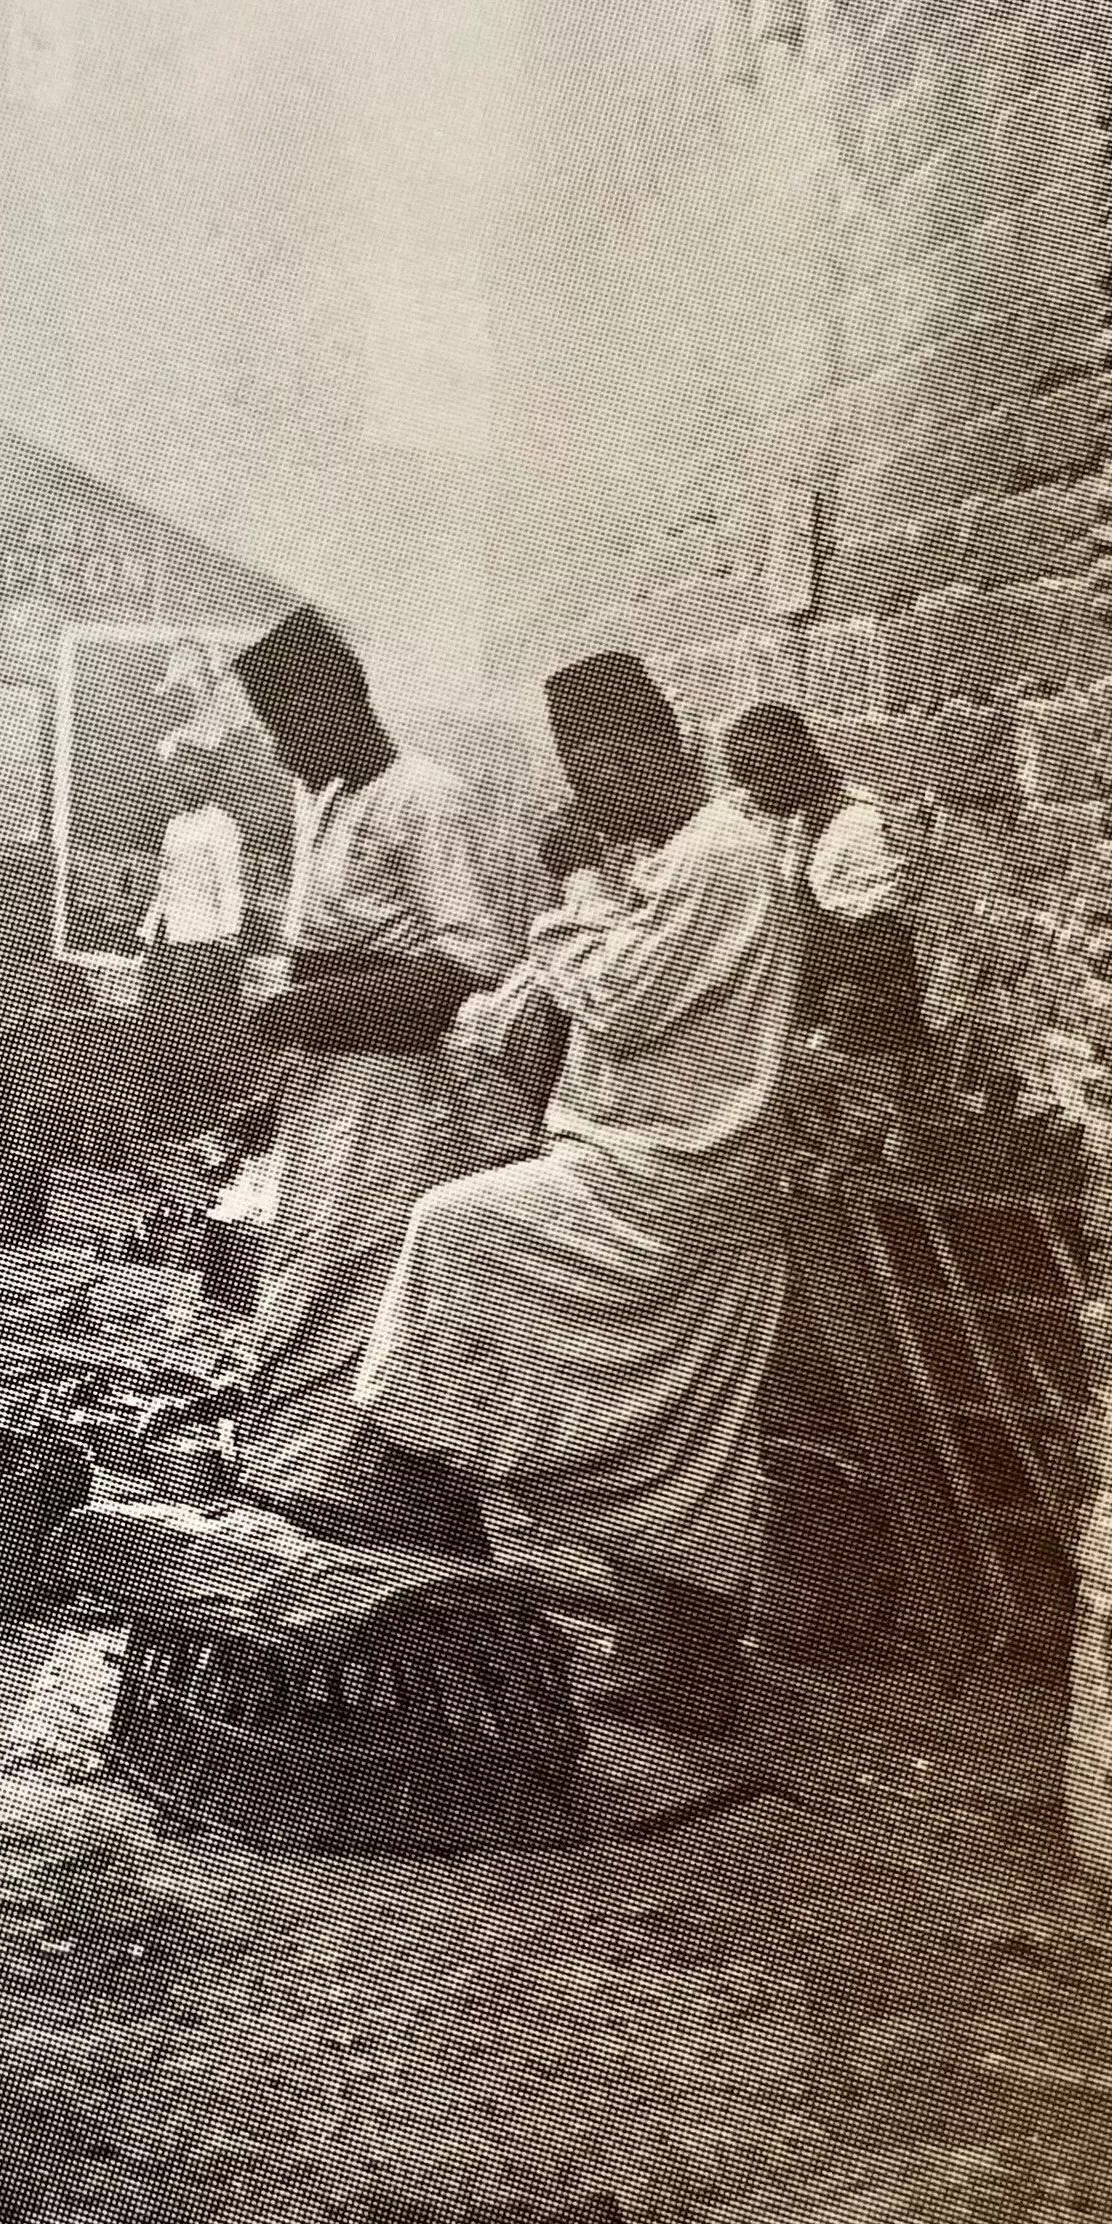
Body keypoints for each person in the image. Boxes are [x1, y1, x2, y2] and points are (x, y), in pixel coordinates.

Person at [355, 652, 806, 1738]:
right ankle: (680, 1660)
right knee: (671, 1437)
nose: (586, 805)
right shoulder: (689, 856)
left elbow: (617, 993)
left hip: (670, 1180)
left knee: (451, 1226)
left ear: (631, 759)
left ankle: (419, 1473)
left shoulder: (719, 860)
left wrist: (576, 890)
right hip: (649, 1168)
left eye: (593, 780)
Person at [222, 608, 527, 1536]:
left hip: (403, 1093)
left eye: (288, 731)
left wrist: (308, 1007)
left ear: (338, 707)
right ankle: (306, 1480)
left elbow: (468, 965)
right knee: (309, 1263)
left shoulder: (423, 799)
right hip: (331, 1087)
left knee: (371, 1277)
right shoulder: (331, 800)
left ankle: (382, 1495)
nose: (281, 754)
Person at [722, 700, 926, 1062]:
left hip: (872, 1020)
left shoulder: (856, 829)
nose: (753, 791)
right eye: (744, 779)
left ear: (799, 758)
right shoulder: (801, 823)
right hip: (829, 1007)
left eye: (760, 773)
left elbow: (884, 943)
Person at [137, 745, 247, 1144]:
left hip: (203, 937)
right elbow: (167, 882)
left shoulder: (221, 826)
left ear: (206, 777)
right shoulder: (175, 826)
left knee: (199, 1029)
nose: (183, 781)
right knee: (159, 1023)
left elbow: (230, 884)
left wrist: (228, 937)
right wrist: (152, 927)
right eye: (177, 774)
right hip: (168, 934)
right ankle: (165, 1119)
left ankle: (204, 1121)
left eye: (193, 773)